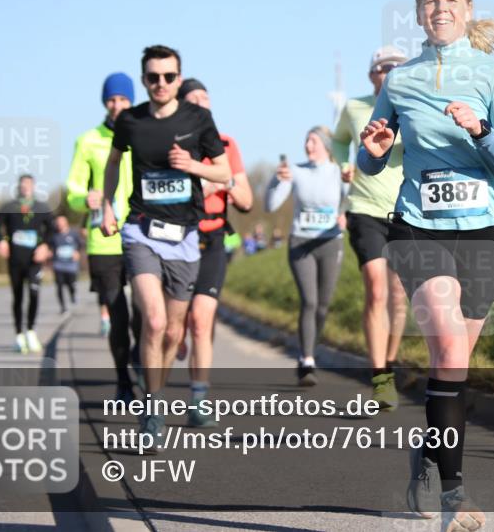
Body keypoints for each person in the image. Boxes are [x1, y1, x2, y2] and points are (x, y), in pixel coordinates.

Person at [358, 0, 494, 527]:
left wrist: (480, 130)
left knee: (451, 366)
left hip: (483, 232)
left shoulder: (492, 74)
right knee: (451, 352)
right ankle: (454, 495)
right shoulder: (400, 82)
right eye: (431, 0)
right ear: (418, 13)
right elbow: (369, 157)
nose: (441, 7)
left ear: (468, 8)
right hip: (418, 227)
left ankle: (430, 458)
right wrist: (374, 151)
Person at [101, 45, 230, 447]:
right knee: (154, 322)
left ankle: (154, 394)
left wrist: (192, 165)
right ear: (144, 80)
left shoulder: (198, 119)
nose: (161, 83)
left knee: (174, 332)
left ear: (178, 78)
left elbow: (224, 172)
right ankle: (152, 412)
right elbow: (112, 162)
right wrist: (107, 206)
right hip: (140, 230)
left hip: (185, 237)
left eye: (169, 77)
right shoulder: (131, 120)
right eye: (153, 77)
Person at [333, 44, 409, 409]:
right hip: (364, 208)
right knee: (377, 291)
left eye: (397, 67)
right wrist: (343, 165)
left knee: (398, 295)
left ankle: (389, 365)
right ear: (371, 75)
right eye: (383, 67)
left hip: (405, 209)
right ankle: (380, 377)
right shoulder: (354, 107)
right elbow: (338, 141)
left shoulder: (413, 108)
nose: (390, 72)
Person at [175, 78, 252, 427]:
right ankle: (173, 338)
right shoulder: (174, 147)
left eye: (205, 97)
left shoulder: (226, 145)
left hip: (214, 238)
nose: (201, 101)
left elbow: (246, 200)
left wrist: (228, 182)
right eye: (193, 98)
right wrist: (206, 184)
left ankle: (199, 400)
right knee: (174, 325)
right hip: (179, 239)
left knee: (202, 319)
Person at [66, 72, 139, 401]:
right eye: (111, 99)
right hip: (104, 240)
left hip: (141, 236)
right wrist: (86, 199)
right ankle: (123, 381)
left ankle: (138, 357)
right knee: (117, 315)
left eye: (123, 99)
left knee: (144, 313)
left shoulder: (142, 134)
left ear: (132, 101)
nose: (117, 105)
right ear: (104, 102)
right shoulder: (88, 140)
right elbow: (72, 192)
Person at [266, 127, 346, 386]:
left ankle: (311, 346)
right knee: (309, 301)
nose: (308, 146)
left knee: (323, 305)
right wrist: (277, 180)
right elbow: (270, 205)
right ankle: (306, 359)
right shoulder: (295, 171)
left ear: (326, 146)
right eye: (306, 141)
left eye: (313, 141)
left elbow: (351, 200)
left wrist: (345, 214)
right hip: (301, 242)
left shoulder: (338, 172)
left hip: (330, 242)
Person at [0, 174, 54, 354]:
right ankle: (19, 335)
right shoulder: (9, 207)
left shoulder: (42, 207)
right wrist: (1, 240)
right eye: (23, 184)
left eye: (29, 184)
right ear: (19, 186)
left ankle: (30, 331)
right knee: (18, 296)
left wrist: (45, 246)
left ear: (34, 186)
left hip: (34, 259)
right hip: (15, 259)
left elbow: (52, 229)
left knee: (34, 293)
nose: (25, 187)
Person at [49, 214, 82, 314]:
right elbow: (50, 247)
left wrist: (77, 252)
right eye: (58, 222)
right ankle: (63, 307)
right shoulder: (54, 235)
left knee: (71, 284)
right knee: (59, 286)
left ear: (66, 222)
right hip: (58, 264)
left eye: (61, 222)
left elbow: (80, 245)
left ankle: (73, 294)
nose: (59, 224)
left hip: (71, 265)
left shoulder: (73, 234)